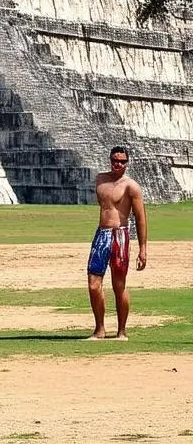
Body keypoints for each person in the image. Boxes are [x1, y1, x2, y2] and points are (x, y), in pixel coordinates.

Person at [87, 145, 148, 341]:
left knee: (118, 285)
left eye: (122, 161)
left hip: (120, 236)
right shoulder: (100, 179)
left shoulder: (131, 186)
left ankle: (121, 331)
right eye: (115, 160)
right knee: (93, 285)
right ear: (110, 159)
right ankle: (100, 329)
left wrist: (143, 249)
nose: (118, 164)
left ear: (127, 163)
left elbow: (140, 218)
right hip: (101, 234)